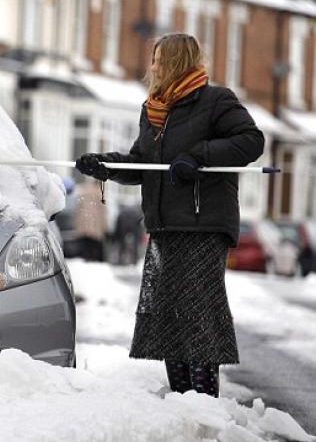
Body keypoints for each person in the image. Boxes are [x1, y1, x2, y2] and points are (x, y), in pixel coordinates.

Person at [75, 33, 264, 398]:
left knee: (197, 313)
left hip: (204, 225)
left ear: (176, 61)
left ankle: (204, 403)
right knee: (168, 316)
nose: (153, 67)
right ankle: (182, 403)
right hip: (165, 227)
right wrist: (105, 166)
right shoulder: (152, 109)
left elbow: (251, 141)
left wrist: (198, 156)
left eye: (159, 59)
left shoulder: (215, 101)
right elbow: (144, 165)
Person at [73, 180, 107, 261]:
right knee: (95, 253)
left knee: (84, 252)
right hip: (95, 228)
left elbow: (77, 211)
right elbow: (103, 213)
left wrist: (77, 226)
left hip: (83, 228)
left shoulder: (83, 192)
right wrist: (104, 228)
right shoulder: (100, 194)